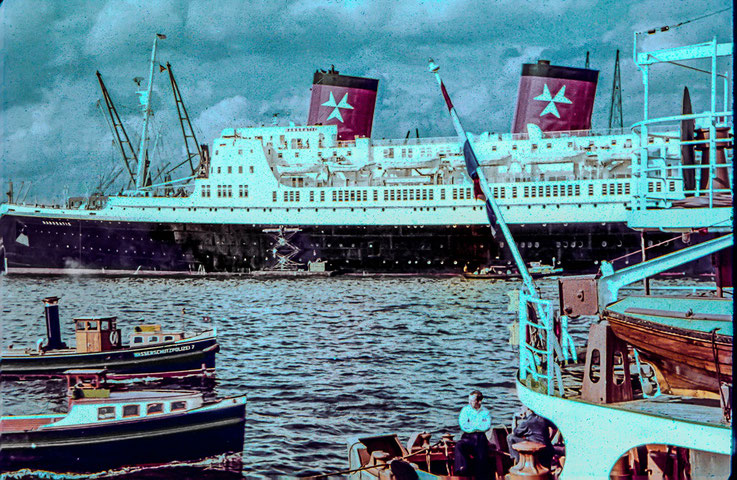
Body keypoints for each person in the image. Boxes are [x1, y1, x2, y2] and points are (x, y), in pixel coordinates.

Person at [454, 390, 492, 479]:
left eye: (472, 400)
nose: (470, 403)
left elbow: (486, 426)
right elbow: (463, 425)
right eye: (469, 400)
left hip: (481, 437)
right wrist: (478, 426)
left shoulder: (485, 412)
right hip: (468, 436)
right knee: (459, 445)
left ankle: (481, 475)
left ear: (479, 401)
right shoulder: (465, 410)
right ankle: (461, 468)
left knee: (482, 457)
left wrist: (472, 424)